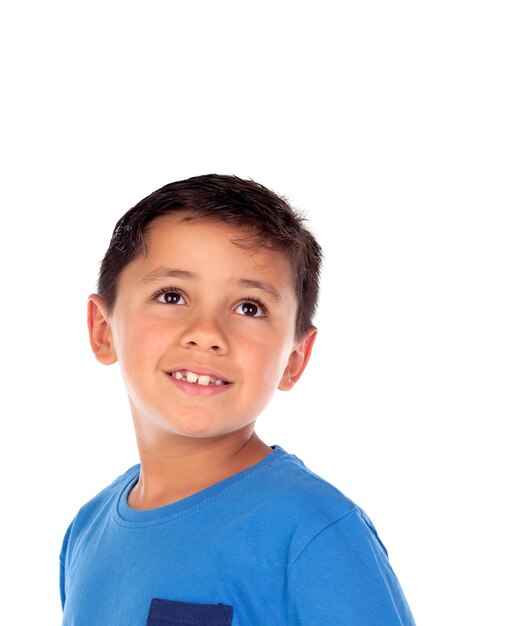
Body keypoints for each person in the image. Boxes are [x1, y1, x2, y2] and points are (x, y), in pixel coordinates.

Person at [59, 174, 415, 625]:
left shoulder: (313, 531)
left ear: (294, 358)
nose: (207, 333)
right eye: (172, 295)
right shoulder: (86, 533)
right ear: (103, 329)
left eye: (249, 307)